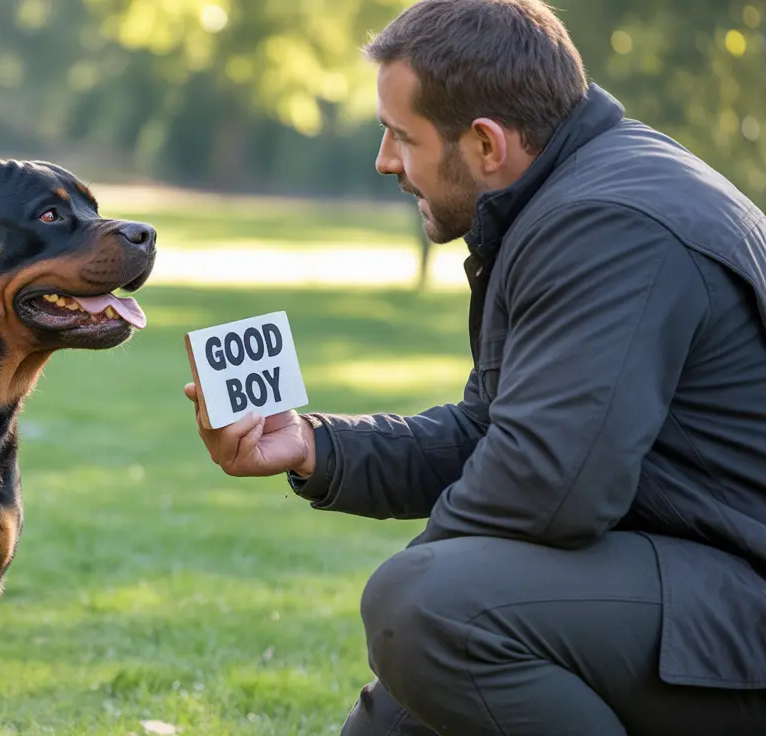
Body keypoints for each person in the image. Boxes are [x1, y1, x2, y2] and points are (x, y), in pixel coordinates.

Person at [183, 0, 766, 733]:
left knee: (430, 613)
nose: (385, 160)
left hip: (740, 602)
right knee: (403, 692)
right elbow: (490, 433)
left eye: (402, 136)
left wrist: (418, 593)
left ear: (487, 144)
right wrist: (312, 444)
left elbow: (548, 488)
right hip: (692, 577)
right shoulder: (572, 197)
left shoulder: (610, 224)